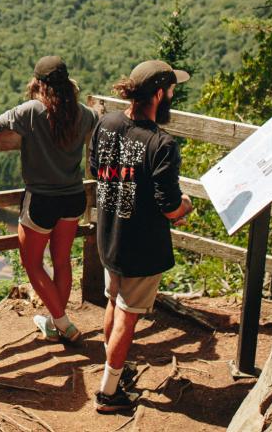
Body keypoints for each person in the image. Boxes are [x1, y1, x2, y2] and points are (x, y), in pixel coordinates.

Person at [88, 60, 194, 413]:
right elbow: (169, 206)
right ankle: (108, 393)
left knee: (113, 303)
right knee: (127, 316)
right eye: (172, 91)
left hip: (109, 236)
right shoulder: (162, 144)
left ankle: (115, 372)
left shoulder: (106, 123)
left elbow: (95, 169)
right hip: (140, 246)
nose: (173, 96)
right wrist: (187, 206)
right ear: (159, 94)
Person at [0, 55, 98, 343]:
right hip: (73, 197)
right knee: (61, 262)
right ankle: (54, 323)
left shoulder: (31, 111)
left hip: (41, 202)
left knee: (33, 265)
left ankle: (63, 324)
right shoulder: (83, 113)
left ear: (38, 83)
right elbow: (96, 119)